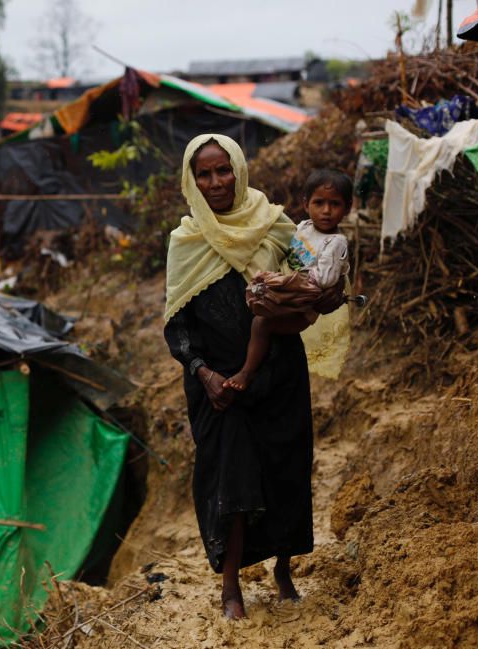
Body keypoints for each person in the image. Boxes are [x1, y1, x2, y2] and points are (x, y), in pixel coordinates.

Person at [163, 134, 343, 620]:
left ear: (239, 171)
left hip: (279, 373)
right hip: (218, 387)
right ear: (191, 180)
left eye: (224, 170)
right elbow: (176, 325)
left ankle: (284, 569)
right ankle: (230, 589)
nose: (216, 181)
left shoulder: (278, 227)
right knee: (231, 481)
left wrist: (327, 295)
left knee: (284, 471)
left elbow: (313, 281)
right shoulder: (185, 243)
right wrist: (204, 375)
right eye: (205, 173)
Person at [223, 170, 352, 392]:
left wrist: (286, 281)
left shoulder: (336, 242)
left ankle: (246, 373)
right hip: (289, 291)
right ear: (305, 204)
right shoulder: (303, 228)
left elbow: (324, 280)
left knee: (261, 323)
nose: (326, 211)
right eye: (319, 203)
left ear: (347, 208)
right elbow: (285, 250)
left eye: (335, 204)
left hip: (302, 306)